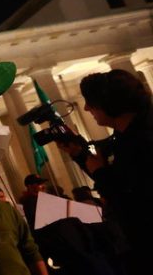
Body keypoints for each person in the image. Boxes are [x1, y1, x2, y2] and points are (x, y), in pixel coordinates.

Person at [56, 69, 153, 275]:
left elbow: (131, 198)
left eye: (90, 101)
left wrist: (101, 173)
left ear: (108, 102)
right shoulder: (124, 139)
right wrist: (80, 155)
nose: (86, 107)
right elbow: (117, 181)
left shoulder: (143, 140)